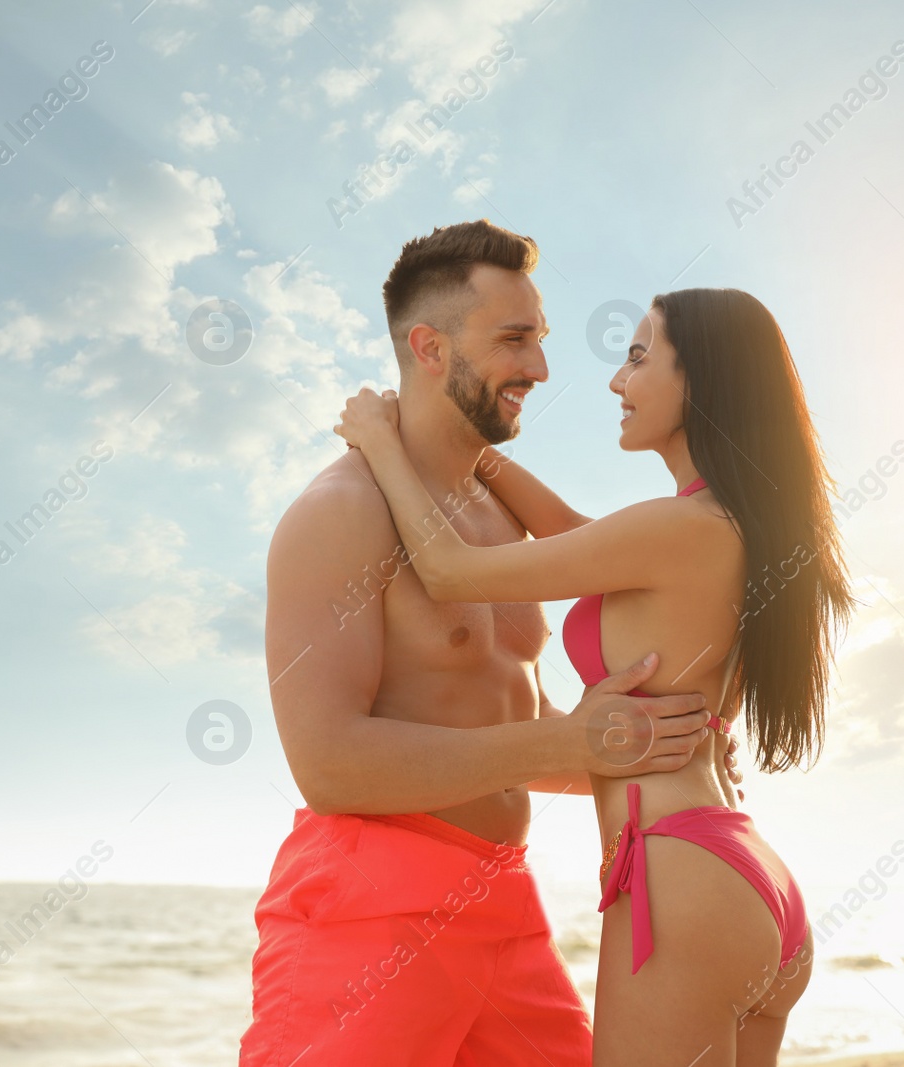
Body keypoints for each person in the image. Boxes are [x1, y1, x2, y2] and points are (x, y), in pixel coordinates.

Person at [240, 221, 745, 1067]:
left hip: (503, 907)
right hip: (370, 917)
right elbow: (328, 762)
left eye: (540, 340)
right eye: (514, 340)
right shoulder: (341, 512)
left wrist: (655, 746)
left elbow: (511, 713)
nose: (542, 369)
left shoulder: (495, 513)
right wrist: (572, 740)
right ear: (430, 348)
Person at [333, 285, 854, 1067]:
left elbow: (446, 569)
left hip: (679, 877)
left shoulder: (682, 528)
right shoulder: (716, 526)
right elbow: (576, 538)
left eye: (639, 356)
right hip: (746, 879)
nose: (617, 380)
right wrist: (477, 453)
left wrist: (377, 439)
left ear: (700, 380)